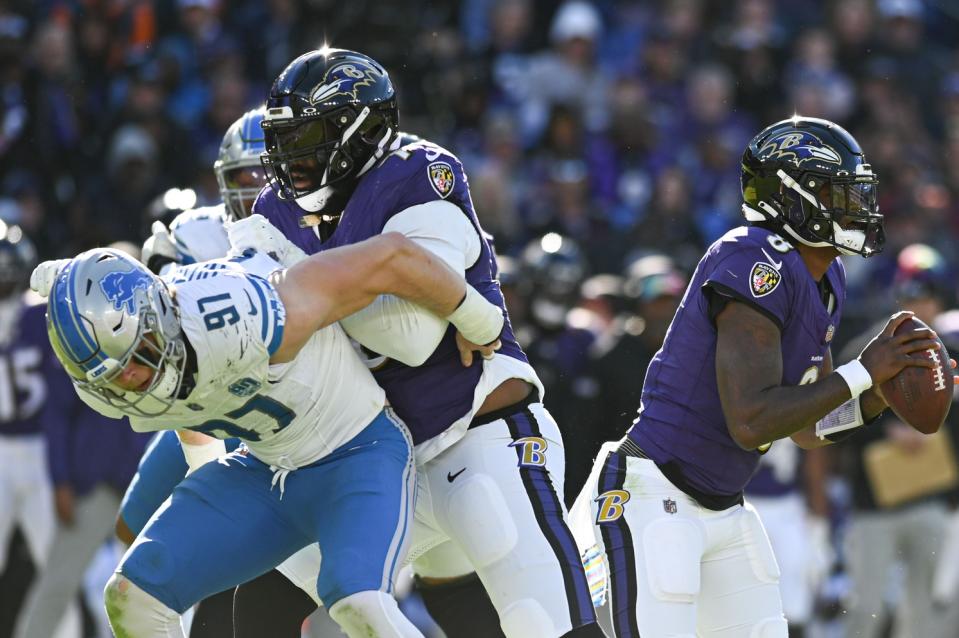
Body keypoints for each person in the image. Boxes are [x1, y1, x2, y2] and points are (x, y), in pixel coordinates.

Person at [233, 47, 604, 638]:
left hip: (477, 441)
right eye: (280, 137)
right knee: (258, 596)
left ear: (357, 129)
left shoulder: (417, 173)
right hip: (377, 457)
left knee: (545, 624)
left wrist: (310, 295)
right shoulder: (275, 209)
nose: (286, 156)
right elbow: (265, 328)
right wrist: (357, 284)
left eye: (305, 134)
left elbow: (408, 332)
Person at [568, 116, 947, 637]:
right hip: (654, 493)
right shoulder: (752, 258)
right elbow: (751, 420)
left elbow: (809, 426)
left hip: (724, 509)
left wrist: (878, 393)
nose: (855, 206)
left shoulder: (827, 276)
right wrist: (864, 370)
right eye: (838, 192)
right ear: (792, 199)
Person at [32, 228, 506, 638]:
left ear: (159, 312)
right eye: (111, 377)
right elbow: (190, 416)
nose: (131, 379)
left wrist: (475, 317)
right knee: (131, 597)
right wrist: (212, 520)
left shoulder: (243, 315)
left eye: (139, 354)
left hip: (355, 449)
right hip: (263, 467)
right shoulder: (107, 382)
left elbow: (386, 257)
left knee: (359, 603)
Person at [836, 242, 955, 638]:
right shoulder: (870, 350)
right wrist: (886, 426)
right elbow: (832, 422)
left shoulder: (950, 350)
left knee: (928, 612)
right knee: (865, 607)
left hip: (933, 497)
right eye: (913, 293)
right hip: (875, 503)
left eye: (928, 293)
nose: (921, 303)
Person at [0, 224, 81, 638]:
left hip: (37, 448)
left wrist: (62, 473)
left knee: (54, 563)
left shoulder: (37, 314)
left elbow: (58, 405)